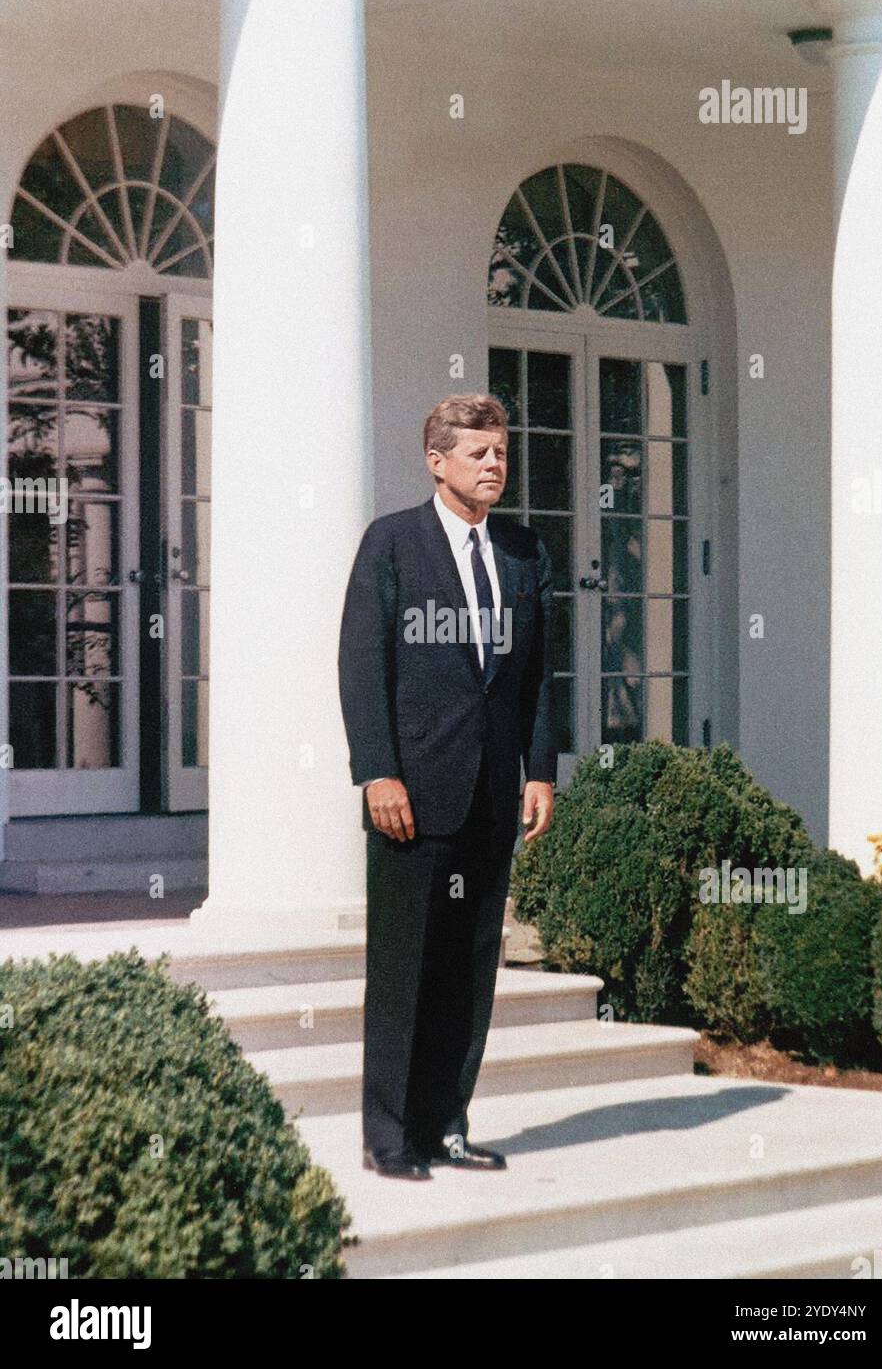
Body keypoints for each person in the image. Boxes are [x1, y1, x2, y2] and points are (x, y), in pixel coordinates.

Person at [337, 393, 556, 1179]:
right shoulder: (392, 544)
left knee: (469, 966)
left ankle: (446, 1125)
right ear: (437, 462)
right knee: (403, 969)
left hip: (495, 793)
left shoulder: (526, 554)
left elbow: (535, 676)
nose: (495, 465)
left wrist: (541, 771)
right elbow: (363, 665)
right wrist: (377, 771)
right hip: (413, 796)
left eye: (501, 453)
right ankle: (390, 1137)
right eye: (478, 454)